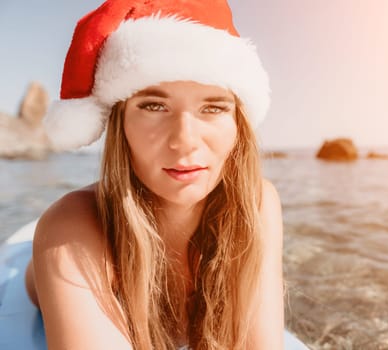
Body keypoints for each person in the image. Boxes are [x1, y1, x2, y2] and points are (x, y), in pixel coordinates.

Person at [23, 1, 284, 349]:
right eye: (154, 106)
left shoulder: (257, 203)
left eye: (213, 107)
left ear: (238, 126)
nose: (184, 141)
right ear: (121, 125)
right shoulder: (70, 229)